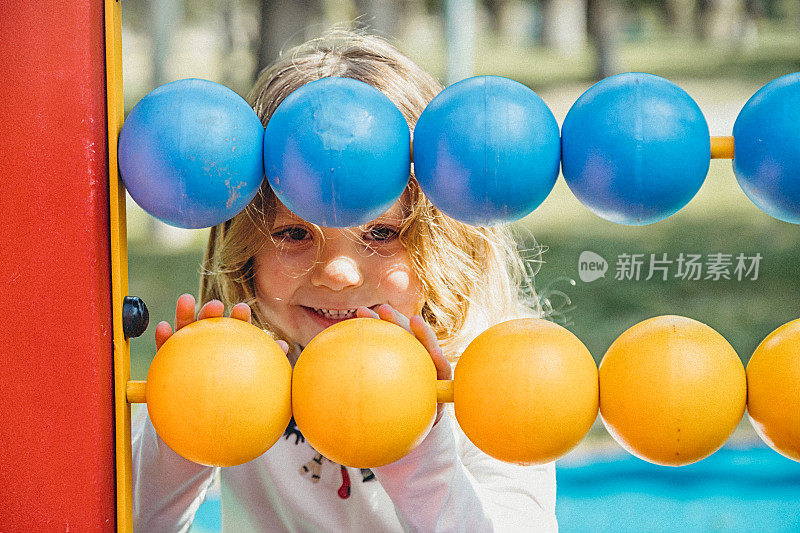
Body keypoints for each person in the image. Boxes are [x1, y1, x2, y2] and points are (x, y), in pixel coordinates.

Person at [132, 28, 558, 532]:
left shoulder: (497, 382)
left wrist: (416, 452)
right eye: (294, 234)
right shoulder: (233, 372)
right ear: (245, 247)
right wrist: (180, 443)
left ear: (442, 239)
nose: (338, 272)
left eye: (380, 232)